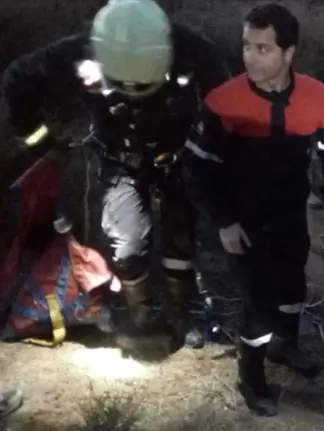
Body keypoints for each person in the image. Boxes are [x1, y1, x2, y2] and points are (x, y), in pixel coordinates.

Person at [0, 0, 232, 355]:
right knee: (127, 244)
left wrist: (209, 148)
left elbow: (227, 104)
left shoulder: (191, 50)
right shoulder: (82, 51)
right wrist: (43, 144)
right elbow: (17, 80)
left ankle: (179, 312)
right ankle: (139, 312)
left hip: (178, 153)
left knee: (181, 235)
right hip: (118, 157)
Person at [181, 3, 324, 416]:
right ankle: (251, 377)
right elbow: (198, 166)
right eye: (246, 46)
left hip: (290, 212)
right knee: (260, 304)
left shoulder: (316, 97)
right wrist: (224, 221)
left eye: (263, 49)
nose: (250, 57)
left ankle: (284, 346)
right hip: (245, 220)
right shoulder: (224, 102)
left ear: (288, 53)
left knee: (292, 288)